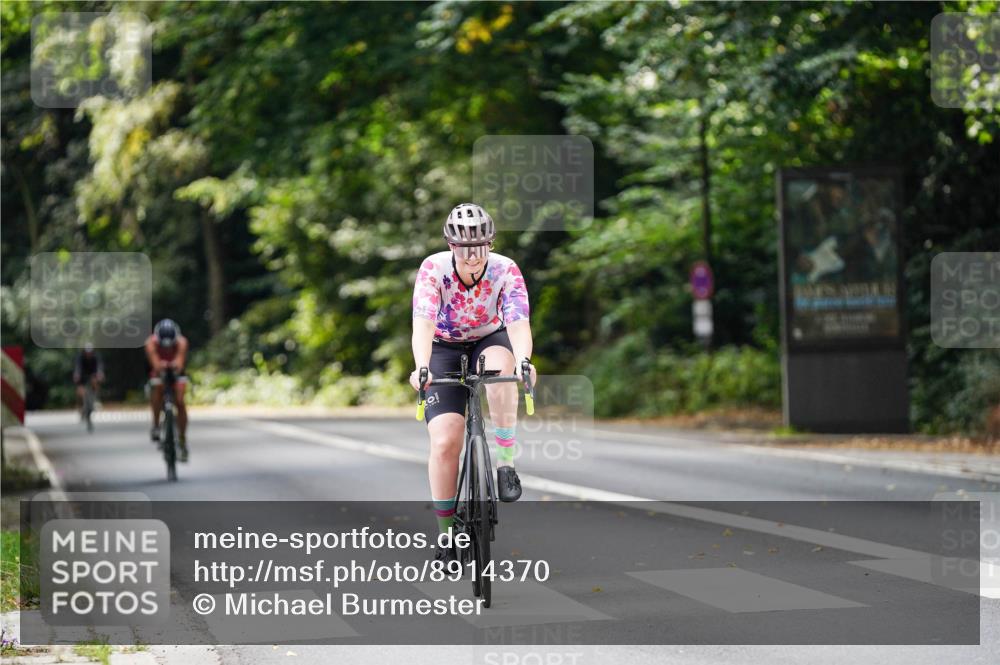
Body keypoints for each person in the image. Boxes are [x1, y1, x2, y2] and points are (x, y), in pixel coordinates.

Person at [410, 203, 537, 565]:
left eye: (481, 247)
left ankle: (506, 465)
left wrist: (525, 360)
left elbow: (517, 324)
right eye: (465, 249)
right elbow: (422, 325)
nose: (473, 257)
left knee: (501, 371)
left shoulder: (505, 270)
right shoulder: (433, 270)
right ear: (451, 246)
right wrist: (421, 366)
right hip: (443, 346)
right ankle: (447, 536)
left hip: (489, 338)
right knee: (447, 440)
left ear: (491, 244)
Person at [145, 319, 190, 461]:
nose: (167, 348)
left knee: (180, 401)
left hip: (177, 373)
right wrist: (160, 365)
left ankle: (182, 437)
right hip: (159, 373)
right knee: (157, 389)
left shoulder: (182, 342)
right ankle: (156, 426)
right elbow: (154, 360)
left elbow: (180, 360)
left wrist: (175, 365)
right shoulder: (150, 342)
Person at [73, 343, 104, 416]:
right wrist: (76, 374)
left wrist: (100, 373)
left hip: (92, 373)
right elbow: (78, 367)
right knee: (80, 391)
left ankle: (95, 399)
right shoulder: (80, 357)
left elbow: (99, 366)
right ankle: (80, 406)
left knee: (95, 381)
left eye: (90, 352)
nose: (88, 354)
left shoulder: (96, 357)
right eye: (87, 352)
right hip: (82, 374)